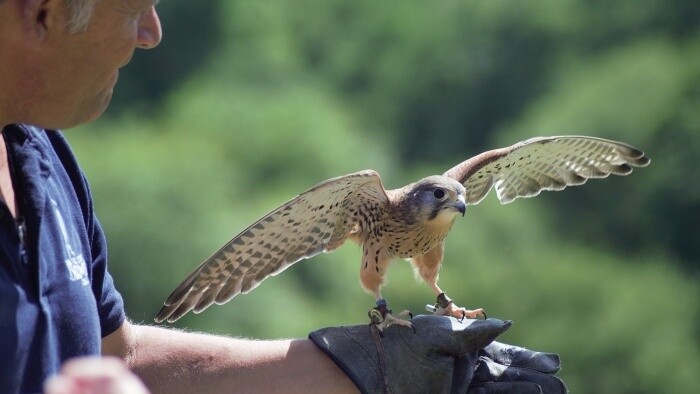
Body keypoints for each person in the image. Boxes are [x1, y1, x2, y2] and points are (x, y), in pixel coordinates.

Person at [0, 1, 566, 392]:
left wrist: (360, 370)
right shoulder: (370, 200)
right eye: (132, 9)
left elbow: (115, 360)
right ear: (44, 12)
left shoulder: (47, 160)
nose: (153, 32)